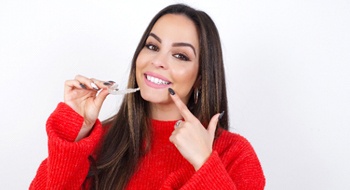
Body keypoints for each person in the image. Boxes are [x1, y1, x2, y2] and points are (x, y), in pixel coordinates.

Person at [30, 3, 265, 190]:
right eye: (152, 47)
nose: (157, 61)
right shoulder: (101, 141)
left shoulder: (234, 154)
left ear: (202, 76)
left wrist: (205, 164)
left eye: (180, 55)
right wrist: (75, 136)